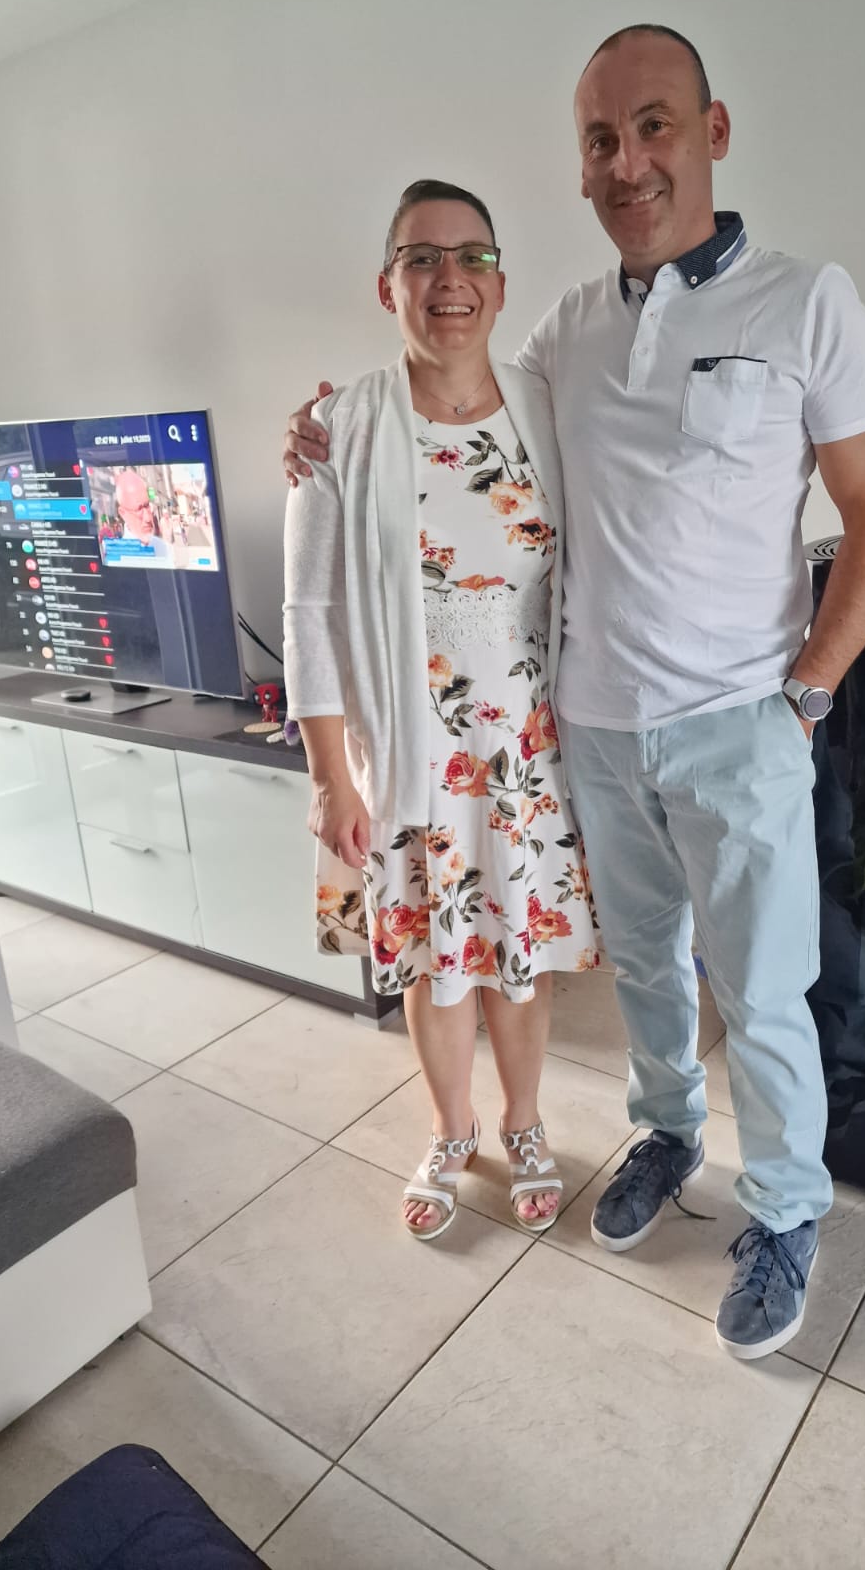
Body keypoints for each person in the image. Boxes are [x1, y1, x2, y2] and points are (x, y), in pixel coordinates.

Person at [284, 26, 865, 1356]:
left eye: (654, 127)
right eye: (601, 141)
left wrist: (804, 696)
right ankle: (667, 1133)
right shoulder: (565, 332)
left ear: (713, 131)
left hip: (739, 723)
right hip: (596, 733)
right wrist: (325, 431)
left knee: (764, 992)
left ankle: (786, 1211)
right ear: (580, 168)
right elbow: (449, 404)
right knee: (646, 971)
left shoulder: (808, 303)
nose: (629, 163)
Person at [282, 178, 600, 1244]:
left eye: (472, 257)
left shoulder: (546, 407)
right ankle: (452, 1131)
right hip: (410, 752)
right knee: (435, 959)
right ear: (389, 286)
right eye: (422, 258)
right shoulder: (340, 426)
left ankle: (524, 1124)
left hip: (529, 750)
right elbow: (310, 612)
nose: (449, 278)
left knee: (519, 954)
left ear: (501, 284)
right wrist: (330, 776)